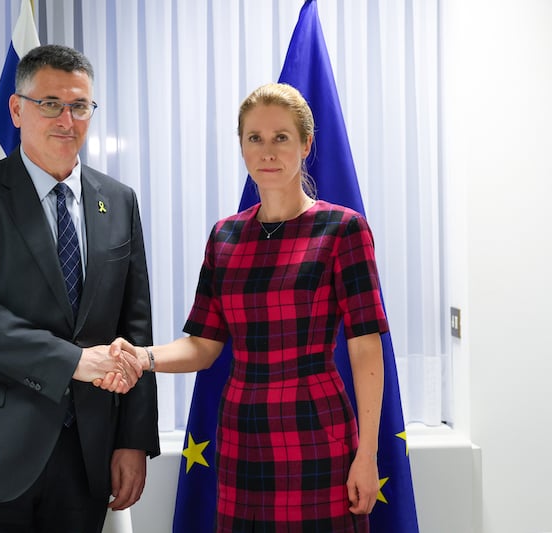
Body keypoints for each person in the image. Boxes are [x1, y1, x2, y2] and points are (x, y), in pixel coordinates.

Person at [110, 82, 386, 532]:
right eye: (255, 138)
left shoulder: (343, 229)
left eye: (281, 137)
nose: (267, 151)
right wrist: (142, 357)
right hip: (242, 433)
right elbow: (203, 345)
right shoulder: (225, 236)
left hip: (316, 430)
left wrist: (368, 454)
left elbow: (365, 347)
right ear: (241, 146)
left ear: (306, 145)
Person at [0, 44, 159, 532]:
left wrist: (133, 440)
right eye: (50, 103)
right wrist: (73, 361)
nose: (66, 120)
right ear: (17, 109)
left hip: (85, 459)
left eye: (79, 106)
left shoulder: (119, 202)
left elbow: (135, 328)